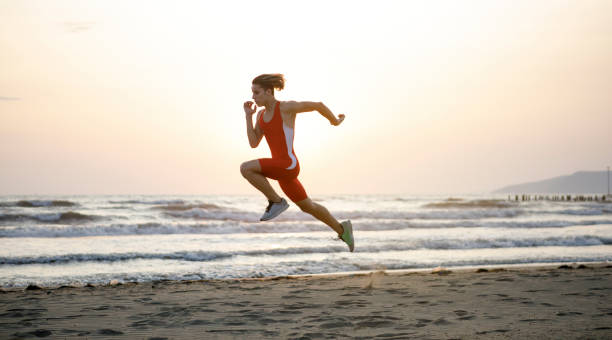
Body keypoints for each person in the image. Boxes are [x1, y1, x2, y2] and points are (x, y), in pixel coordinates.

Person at [240, 74, 354, 252]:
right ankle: (342, 230)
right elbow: (254, 143)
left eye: (257, 92)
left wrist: (335, 121)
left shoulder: (286, 107)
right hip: (282, 171)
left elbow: (318, 106)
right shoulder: (260, 115)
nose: (253, 97)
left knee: (246, 168)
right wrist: (248, 116)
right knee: (308, 206)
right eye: (252, 92)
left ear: (269, 92)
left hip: (288, 164)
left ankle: (276, 202)